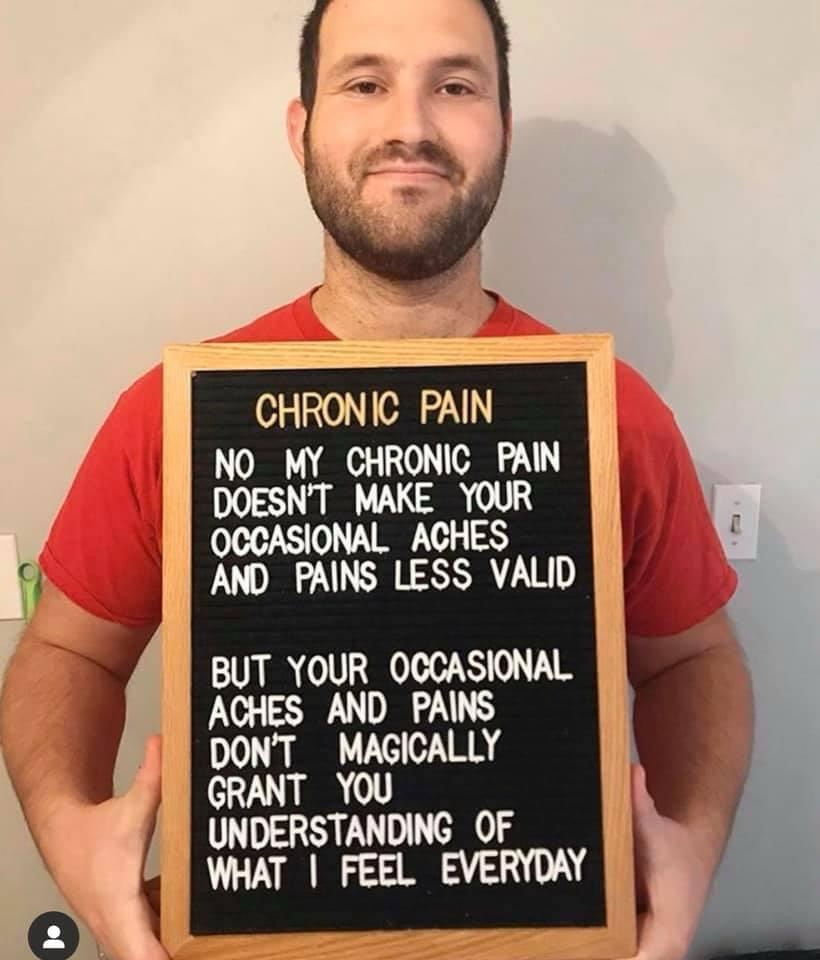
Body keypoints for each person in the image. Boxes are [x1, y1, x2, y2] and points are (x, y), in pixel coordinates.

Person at [0, 1, 753, 959]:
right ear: (301, 129)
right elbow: (69, 652)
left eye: (455, 85)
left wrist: (691, 852)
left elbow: (694, 659)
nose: (411, 125)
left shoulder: (611, 413)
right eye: (364, 82)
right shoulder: (177, 415)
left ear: (502, 128)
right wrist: (71, 835)